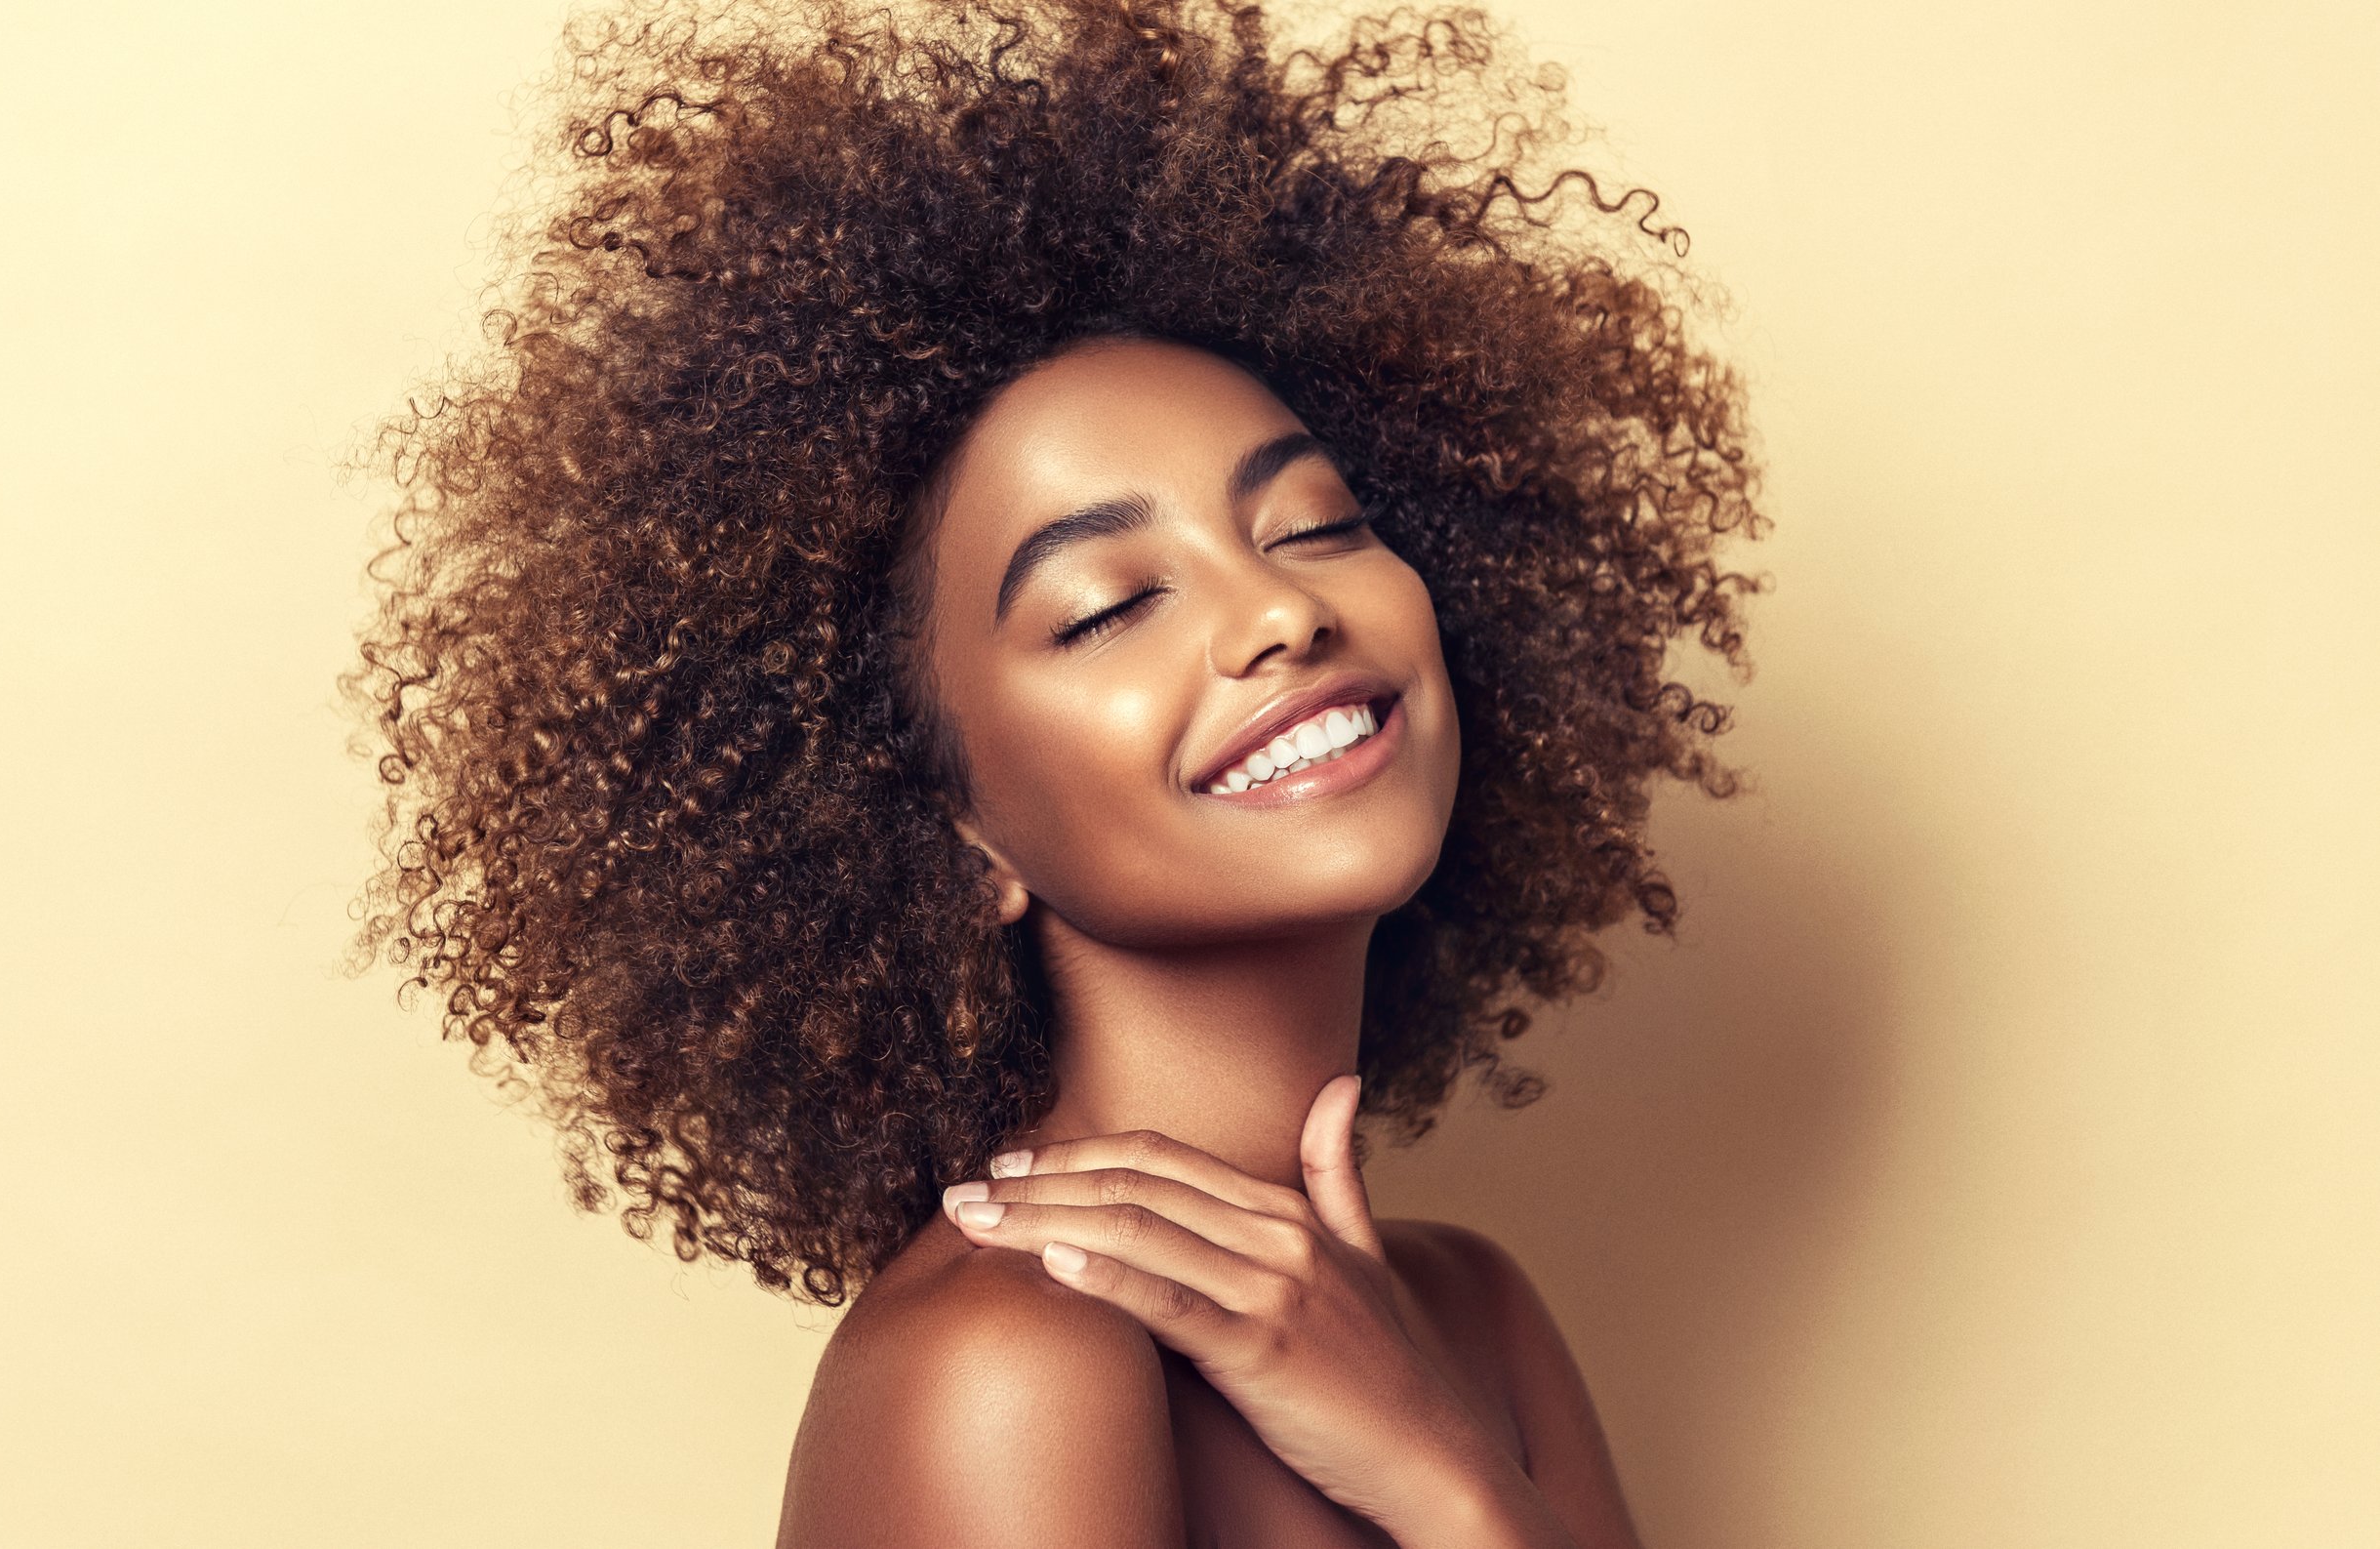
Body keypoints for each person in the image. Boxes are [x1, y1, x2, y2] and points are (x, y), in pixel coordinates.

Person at [340, 0, 1763, 1543]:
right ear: (952, 828)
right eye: (1111, 606)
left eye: (1318, 526)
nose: (1282, 612)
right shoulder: (1008, 1360)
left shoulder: (1468, 1316)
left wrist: (1444, 1474)